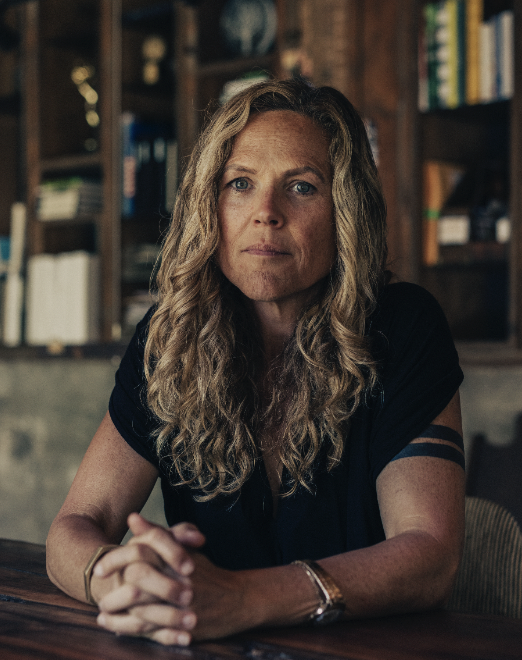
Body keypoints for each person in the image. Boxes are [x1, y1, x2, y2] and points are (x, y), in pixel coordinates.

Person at [46, 78, 465, 646]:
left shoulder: (403, 326)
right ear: (208, 206)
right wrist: (114, 578)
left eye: (301, 187)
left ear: (346, 211)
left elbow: (428, 556)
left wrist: (243, 599)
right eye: (240, 184)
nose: (265, 213)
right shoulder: (168, 338)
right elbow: (75, 525)